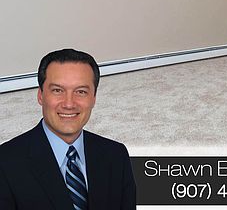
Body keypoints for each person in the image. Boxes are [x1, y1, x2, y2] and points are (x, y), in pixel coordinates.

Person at [0, 48, 136, 210]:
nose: (69, 104)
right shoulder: (5, 162)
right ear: (40, 95)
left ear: (93, 98)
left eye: (81, 92)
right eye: (58, 90)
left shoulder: (116, 155)